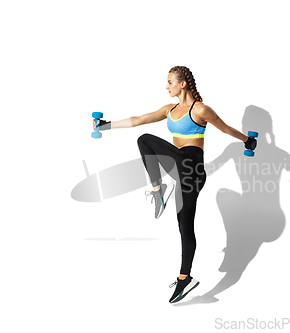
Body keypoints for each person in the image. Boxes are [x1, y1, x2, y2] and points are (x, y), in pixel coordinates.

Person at [92, 66, 257, 303]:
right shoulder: (168, 109)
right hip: (178, 168)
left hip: (193, 170)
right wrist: (105, 126)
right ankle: (160, 194)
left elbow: (226, 128)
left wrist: (248, 141)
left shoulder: (200, 109)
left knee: (184, 223)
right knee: (146, 141)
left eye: (170, 82)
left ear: (183, 84)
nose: (166, 86)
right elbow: (139, 119)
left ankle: (183, 274)